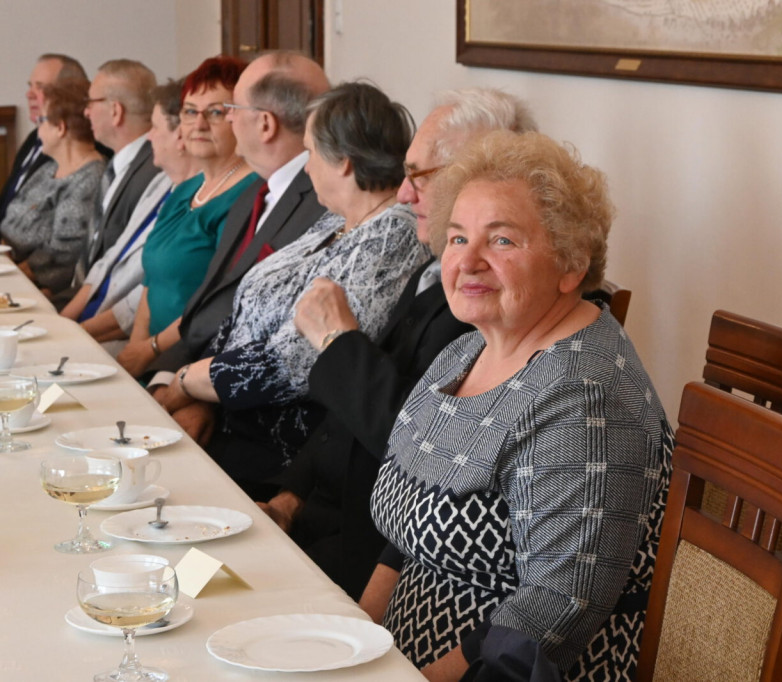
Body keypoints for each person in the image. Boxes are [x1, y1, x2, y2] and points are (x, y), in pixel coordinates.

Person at [363, 130, 674, 681]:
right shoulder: (468, 349)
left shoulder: (585, 399)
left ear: (571, 263)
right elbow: (410, 519)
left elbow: (552, 611)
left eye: (501, 241)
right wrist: (359, 632)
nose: (469, 261)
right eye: (458, 238)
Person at [256, 89, 537, 600]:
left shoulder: (487, 296)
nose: (404, 195)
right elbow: (340, 421)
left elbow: (416, 437)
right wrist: (288, 499)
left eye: (419, 176)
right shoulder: (434, 270)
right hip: (323, 518)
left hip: (371, 548)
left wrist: (338, 339)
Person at [162, 82, 430, 500]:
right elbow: (241, 318)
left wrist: (184, 382)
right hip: (226, 413)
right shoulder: (335, 220)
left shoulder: (392, 236)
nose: (305, 168)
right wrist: (203, 399)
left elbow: (294, 363)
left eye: (310, 153)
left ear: (342, 160)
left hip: (279, 458)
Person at [119, 51, 330, 388]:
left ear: (264, 123)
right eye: (191, 112)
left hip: (232, 395)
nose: (227, 121)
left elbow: (266, 333)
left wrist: (189, 388)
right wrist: (162, 376)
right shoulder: (255, 194)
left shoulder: (320, 203)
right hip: (186, 370)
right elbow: (204, 306)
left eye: (227, 110)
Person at [118, 56, 260, 364]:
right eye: (190, 112)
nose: (199, 124)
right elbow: (151, 282)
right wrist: (136, 347)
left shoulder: (250, 194)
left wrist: (150, 349)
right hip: (149, 354)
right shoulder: (184, 190)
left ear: (239, 117)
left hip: (194, 357)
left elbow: (220, 302)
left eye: (215, 113)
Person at [59, 79, 187, 355]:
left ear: (182, 136)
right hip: (92, 319)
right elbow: (110, 258)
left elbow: (142, 297)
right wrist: (63, 322)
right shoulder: (161, 182)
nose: (149, 136)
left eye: (155, 127)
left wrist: (74, 335)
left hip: (120, 340)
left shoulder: (190, 193)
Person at [0, 80, 105, 303]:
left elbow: (62, 254)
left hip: (36, 289)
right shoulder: (49, 168)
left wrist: (6, 277)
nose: (37, 132)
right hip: (8, 273)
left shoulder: (90, 178)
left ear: (60, 128)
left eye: (41, 122)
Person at [76, 59, 161, 286]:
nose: (86, 112)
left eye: (91, 102)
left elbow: (128, 275)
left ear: (115, 111)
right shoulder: (121, 163)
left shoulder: (154, 172)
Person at [0, 53, 88, 242]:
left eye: (40, 87)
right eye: (30, 85)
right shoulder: (34, 138)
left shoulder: (76, 151)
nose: (29, 94)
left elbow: (63, 242)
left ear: (67, 95)